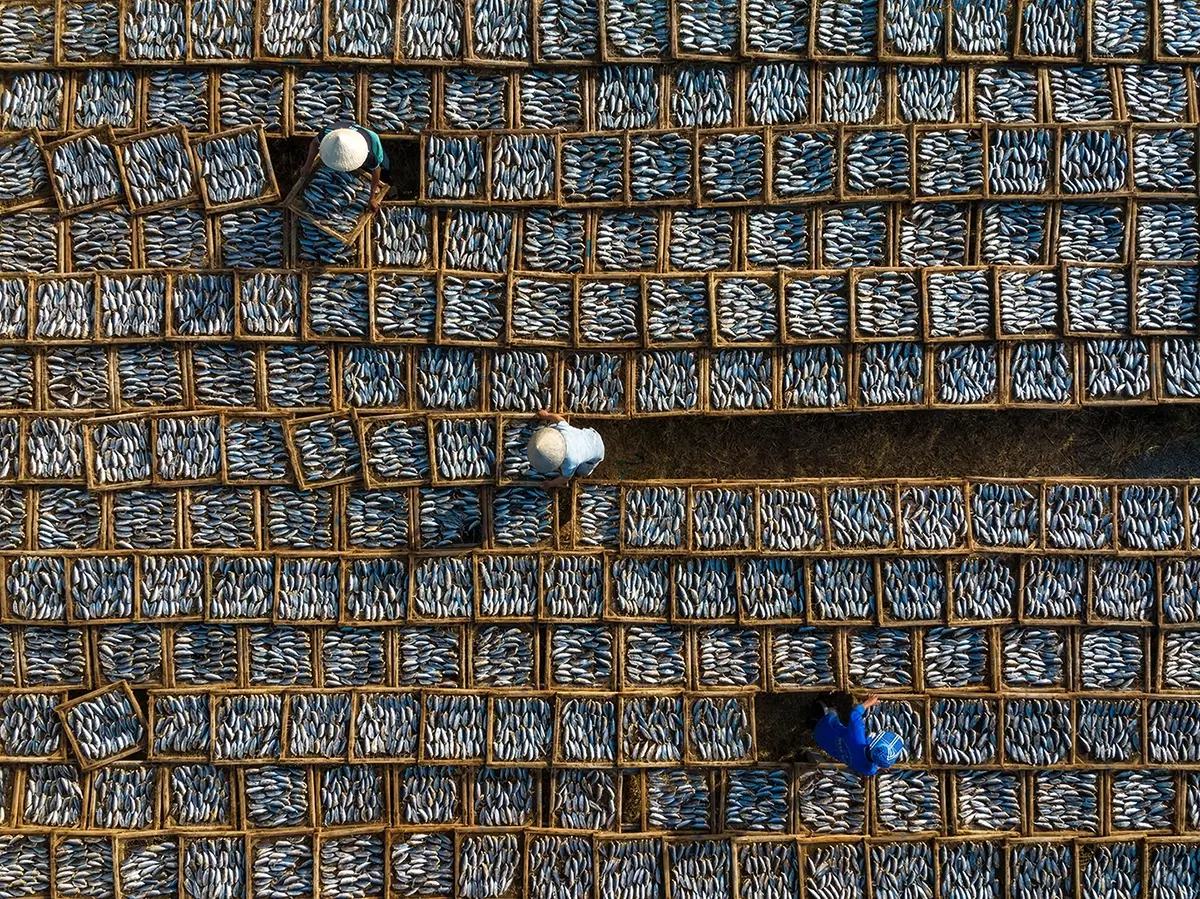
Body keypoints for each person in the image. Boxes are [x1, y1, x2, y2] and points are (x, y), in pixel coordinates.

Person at [812, 693, 903, 776]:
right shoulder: (869, 770)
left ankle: (821, 709)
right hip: (823, 743)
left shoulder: (858, 735)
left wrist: (868, 703)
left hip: (825, 728)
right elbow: (874, 768)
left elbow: (855, 714)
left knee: (832, 710)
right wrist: (881, 763)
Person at [302, 124, 387, 210]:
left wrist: (372, 197)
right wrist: (307, 165)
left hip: (370, 140)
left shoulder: (369, 153)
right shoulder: (328, 133)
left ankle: (386, 175)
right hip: (348, 130)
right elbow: (314, 143)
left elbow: (376, 169)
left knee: (383, 166)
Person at [526, 409, 604, 487]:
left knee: (582, 472)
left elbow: (566, 478)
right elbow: (559, 419)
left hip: (597, 452)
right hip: (593, 435)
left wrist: (550, 483)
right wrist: (546, 415)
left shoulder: (570, 461)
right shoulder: (564, 432)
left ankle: (588, 468)